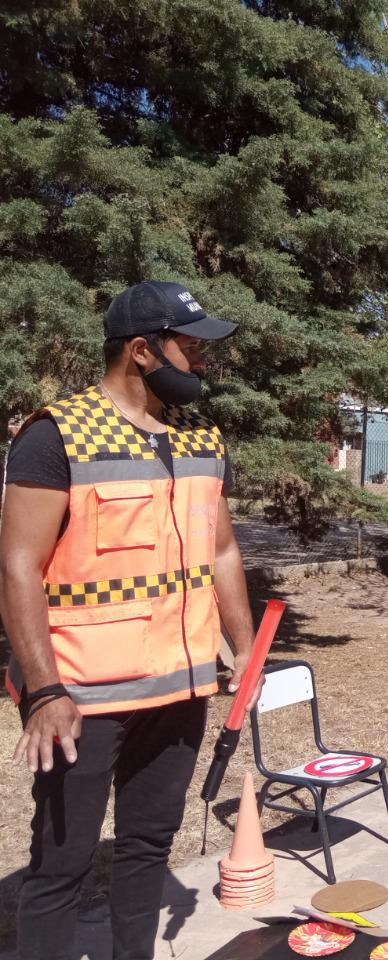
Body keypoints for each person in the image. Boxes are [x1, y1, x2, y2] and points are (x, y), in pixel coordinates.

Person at [1, 280, 260, 960]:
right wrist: (46, 691)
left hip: (179, 691)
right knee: (62, 867)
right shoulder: (56, 437)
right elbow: (17, 568)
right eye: (191, 347)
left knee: (147, 849)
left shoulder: (201, 437)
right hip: (82, 698)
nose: (204, 361)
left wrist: (243, 645)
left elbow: (224, 548)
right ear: (142, 351)